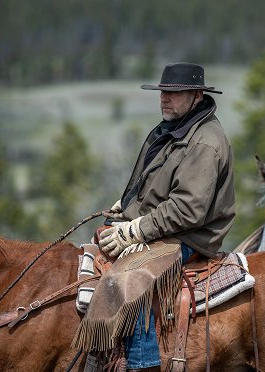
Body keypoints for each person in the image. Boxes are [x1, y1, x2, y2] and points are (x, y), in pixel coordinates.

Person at [88, 62, 235, 371]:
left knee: (136, 279)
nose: (164, 99)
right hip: (164, 224)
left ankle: (143, 364)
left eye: (174, 93)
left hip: (191, 234)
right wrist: (128, 206)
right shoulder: (173, 127)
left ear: (196, 95)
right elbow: (156, 184)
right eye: (163, 92)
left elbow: (187, 208)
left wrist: (134, 230)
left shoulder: (205, 141)